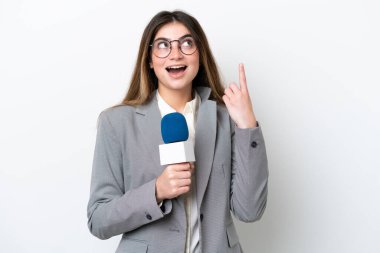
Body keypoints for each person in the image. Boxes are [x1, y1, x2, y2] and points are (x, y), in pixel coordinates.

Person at [87, 10, 268, 253]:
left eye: (186, 43)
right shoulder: (116, 123)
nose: (175, 54)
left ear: (200, 54)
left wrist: (247, 126)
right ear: (149, 59)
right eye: (163, 45)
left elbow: (250, 211)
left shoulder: (225, 119)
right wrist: (156, 191)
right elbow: (98, 220)